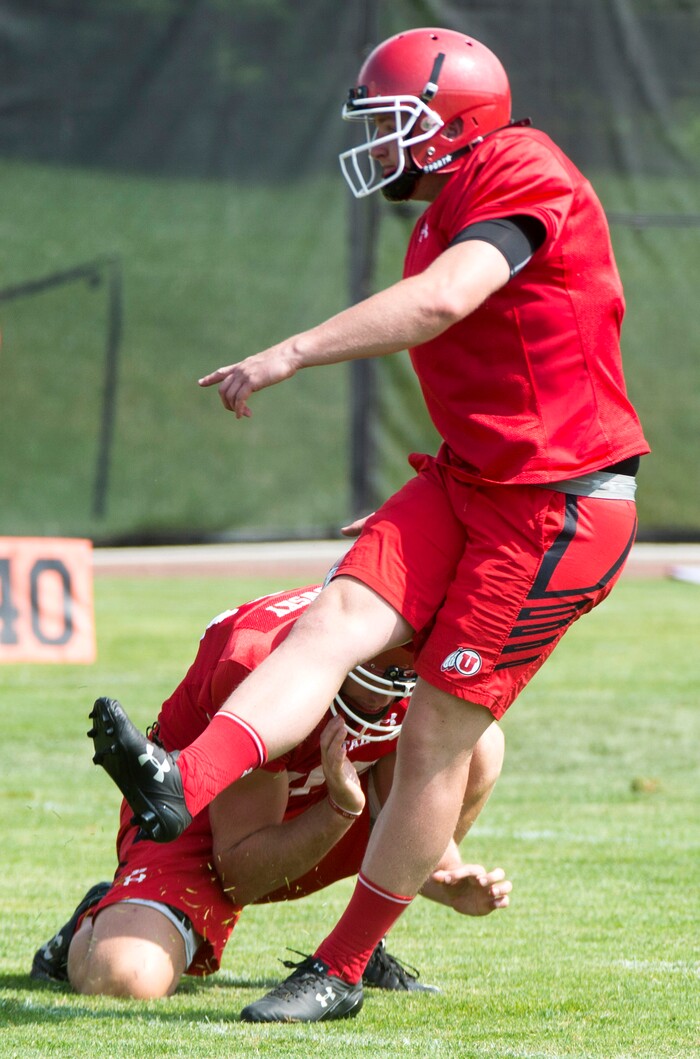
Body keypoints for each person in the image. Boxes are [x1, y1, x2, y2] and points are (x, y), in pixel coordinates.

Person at [89, 26, 649, 1021]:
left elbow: (445, 303)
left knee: (440, 733)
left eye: (395, 124)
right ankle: (180, 781)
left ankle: (343, 966)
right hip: (473, 481)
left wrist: (291, 352)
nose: (380, 145)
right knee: (333, 620)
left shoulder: (521, 169)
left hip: (556, 504)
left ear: (454, 122)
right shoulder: (444, 207)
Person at [34, 584, 509, 998]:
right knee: (126, 976)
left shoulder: (429, 637)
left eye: (403, 680)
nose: (387, 700)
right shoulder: (260, 659)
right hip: (199, 812)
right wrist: (339, 812)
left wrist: (442, 873)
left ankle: (359, 945)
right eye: (377, 678)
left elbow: (413, 789)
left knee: (478, 742)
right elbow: (241, 873)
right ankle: (96, 918)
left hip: (323, 786)